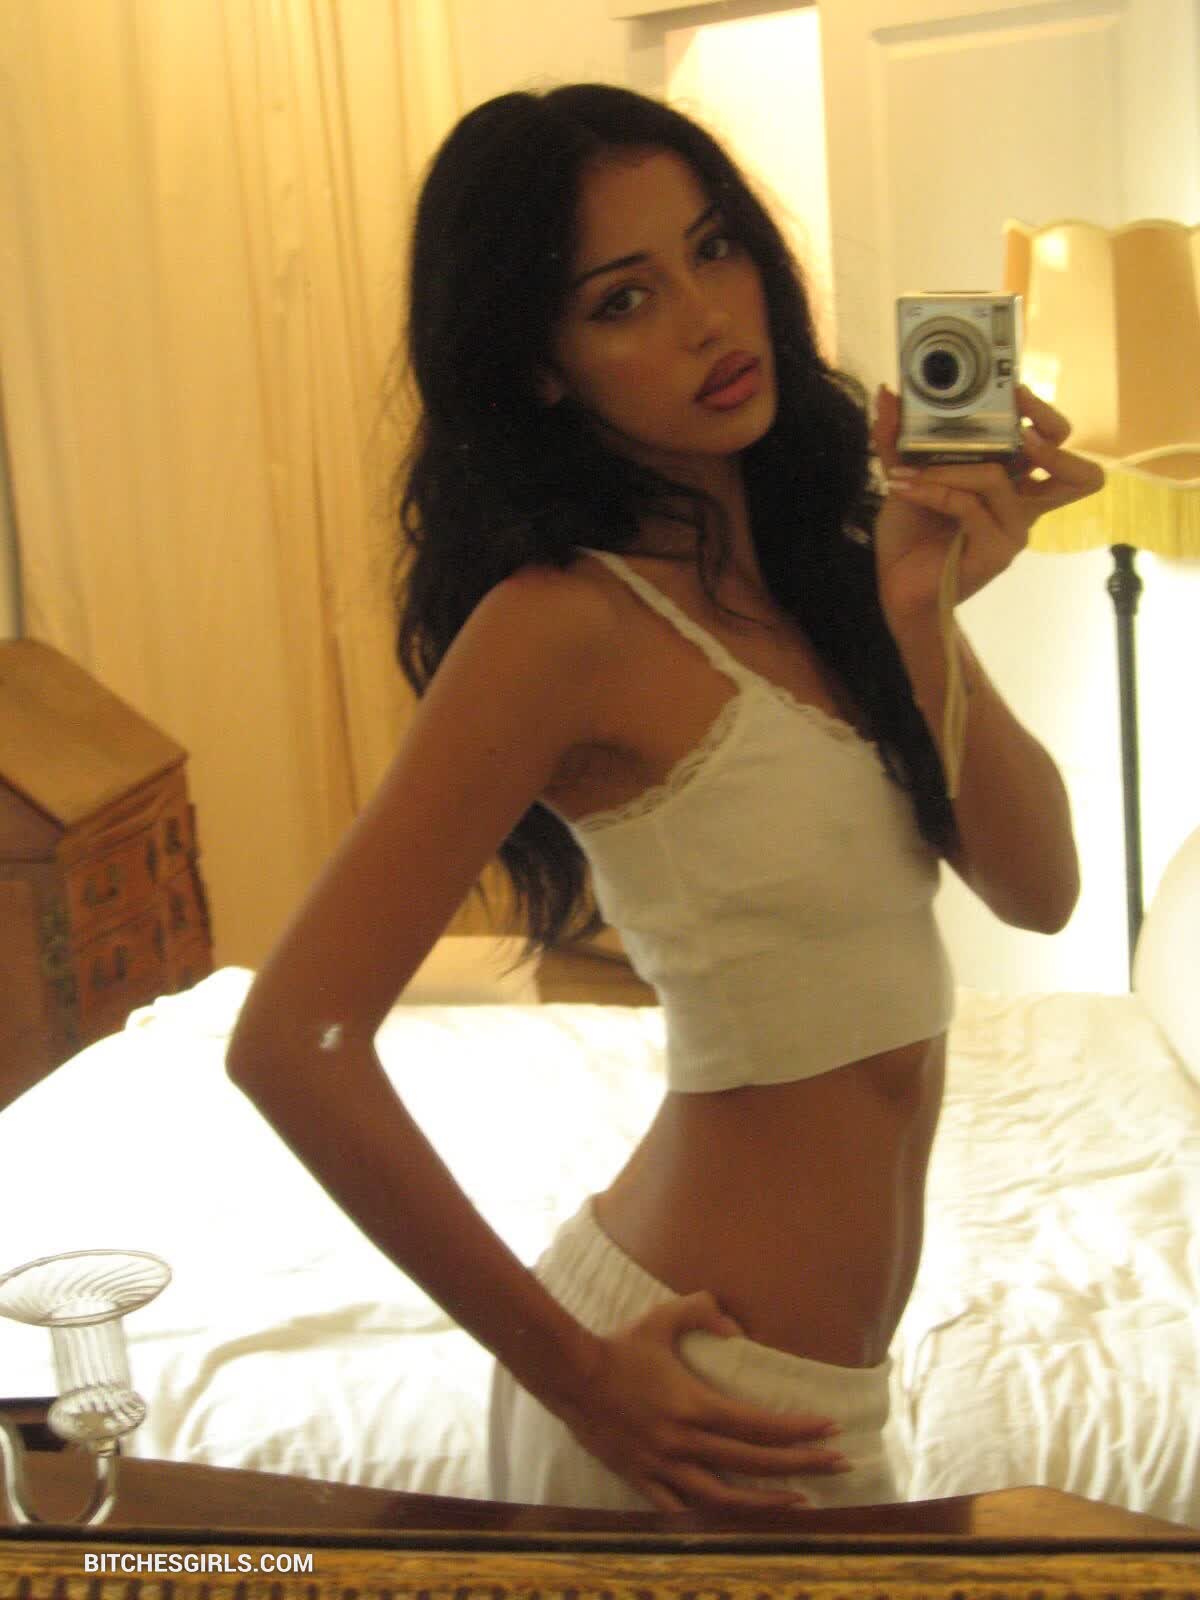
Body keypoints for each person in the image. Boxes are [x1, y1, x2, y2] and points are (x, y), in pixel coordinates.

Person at [226, 83, 1100, 1512]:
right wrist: (575, 1373)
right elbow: (289, 1043)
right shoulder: (559, 624)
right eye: (624, 299)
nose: (707, 319)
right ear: (541, 366)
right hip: (693, 1396)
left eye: (714, 249)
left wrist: (919, 611)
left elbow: (1042, 890)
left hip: (817, 1394)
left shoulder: (827, 568)